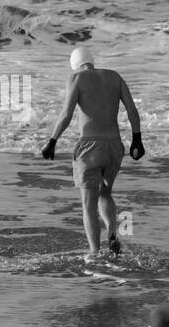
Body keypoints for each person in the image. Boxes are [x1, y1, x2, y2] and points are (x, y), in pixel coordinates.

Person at [40, 47, 143, 258]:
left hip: (89, 147)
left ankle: (95, 253)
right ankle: (113, 232)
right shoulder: (114, 76)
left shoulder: (77, 78)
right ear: (91, 61)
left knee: (88, 203)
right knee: (105, 192)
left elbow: (66, 114)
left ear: (75, 65)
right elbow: (132, 110)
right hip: (114, 147)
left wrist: (52, 140)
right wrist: (137, 139)